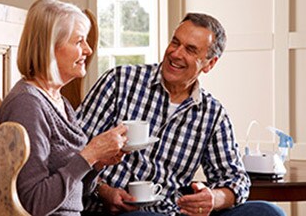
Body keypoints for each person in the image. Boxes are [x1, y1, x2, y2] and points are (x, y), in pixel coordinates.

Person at [77, 12, 286, 216]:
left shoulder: (212, 114)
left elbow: (236, 180)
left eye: (190, 49)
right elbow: (72, 149)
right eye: (175, 42)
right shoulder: (120, 81)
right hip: (107, 209)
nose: (176, 53)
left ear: (209, 64)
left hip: (172, 211)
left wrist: (213, 198)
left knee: (268, 212)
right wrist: (102, 190)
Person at [0, 0, 128, 216]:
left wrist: (95, 164)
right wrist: (89, 154)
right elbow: (33, 203)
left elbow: (74, 195)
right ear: (50, 47)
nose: (88, 49)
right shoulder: (27, 105)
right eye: (79, 42)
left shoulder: (60, 102)